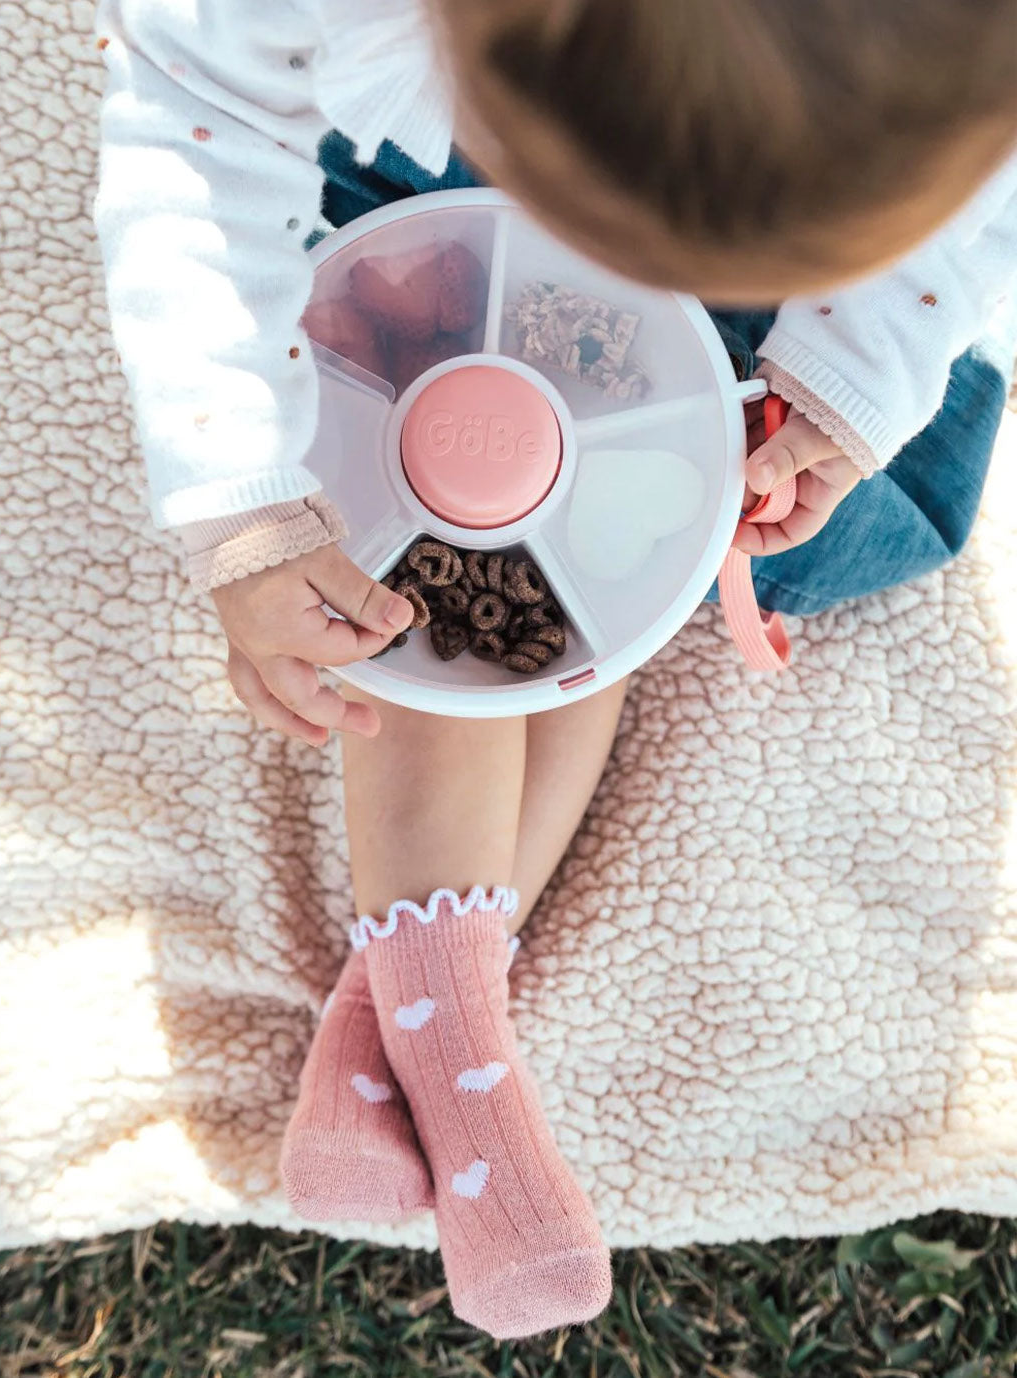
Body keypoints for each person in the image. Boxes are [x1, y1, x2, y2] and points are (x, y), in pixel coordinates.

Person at [92, 0, 1017, 1339]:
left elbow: (976, 175)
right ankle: (451, 1044)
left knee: (610, 526)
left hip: (802, 247)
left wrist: (848, 364)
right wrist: (237, 494)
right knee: (446, 490)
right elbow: (191, 117)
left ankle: (405, 1020)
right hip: (413, 183)